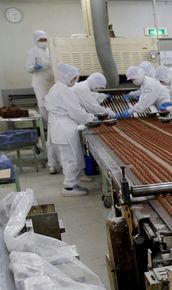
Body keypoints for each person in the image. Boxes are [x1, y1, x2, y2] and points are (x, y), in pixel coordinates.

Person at [44, 64, 95, 197]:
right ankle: (69, 187)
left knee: (69, 158)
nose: (75, 81)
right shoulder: (63, 90)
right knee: (71, 159)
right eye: (74, 78)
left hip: (60, 127)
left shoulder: (57, 88)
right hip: (64, 128)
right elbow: (75, 111)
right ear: (67, 77)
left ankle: (73, 184)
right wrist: (90, 118)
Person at [24, 30, 58, 174]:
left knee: (54, 124)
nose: (44, 41)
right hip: (41, 85)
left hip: (52, 83)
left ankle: (54, 162)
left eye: (45, 38)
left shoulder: (52, 50)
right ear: (36, 40)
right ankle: (52, 162)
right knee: (49, 122)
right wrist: (35, 68)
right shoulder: (32, 52)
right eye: (41, 39)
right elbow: (28, 68)